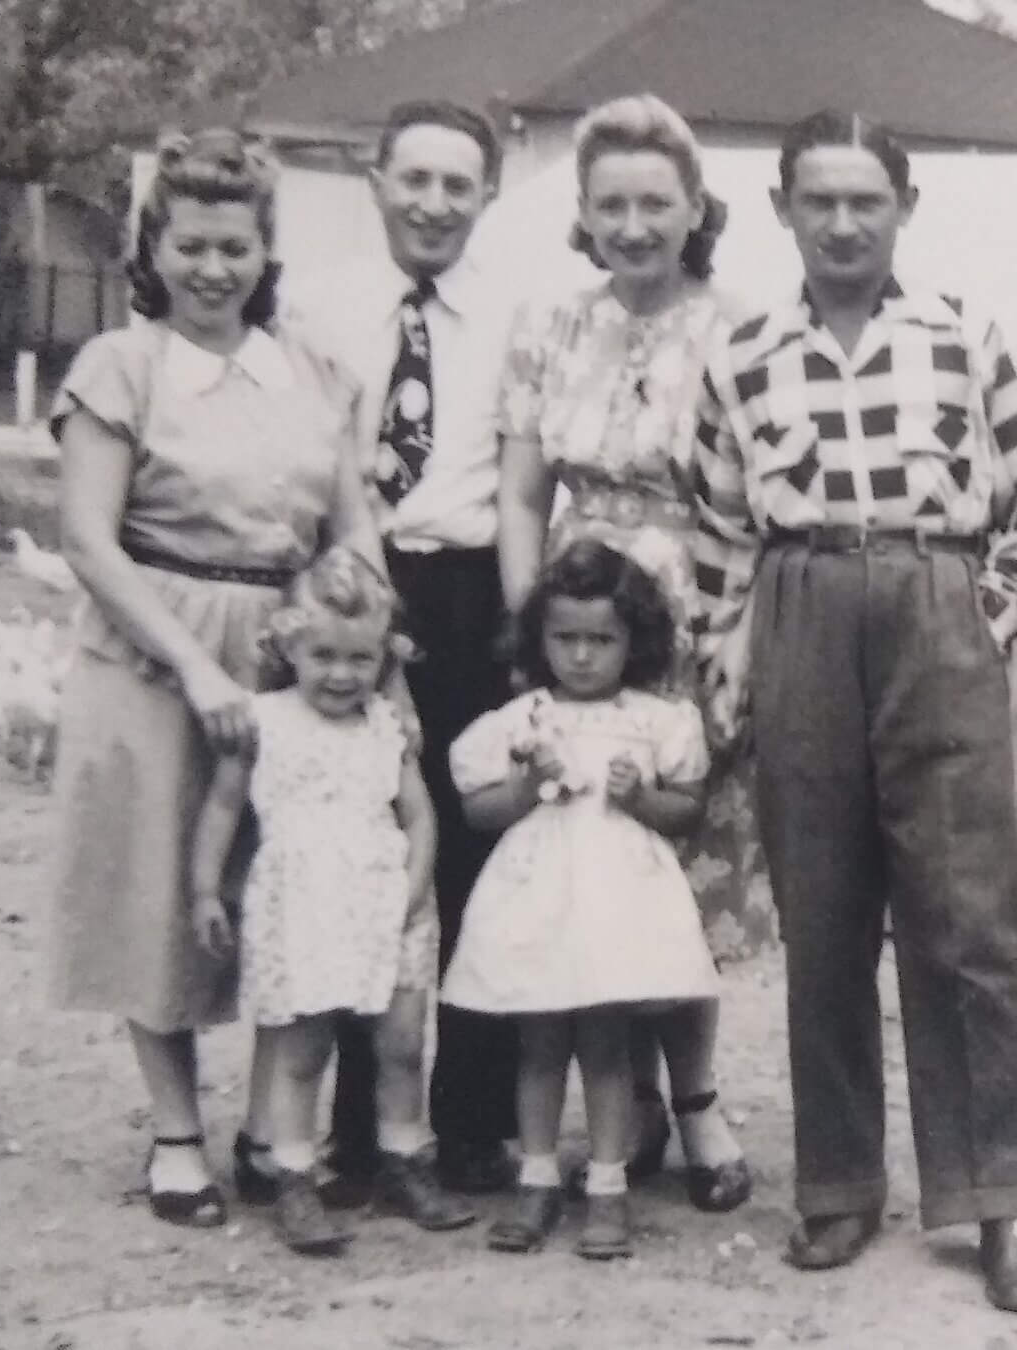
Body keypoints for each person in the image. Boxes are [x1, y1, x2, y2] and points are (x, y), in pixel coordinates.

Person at [689, 109, 1017, 1315]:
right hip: (800, 610)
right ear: (783, 211)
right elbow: (714, 525)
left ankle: (998, 1198)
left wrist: (992, 617)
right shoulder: (742, 354)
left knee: (967, 920)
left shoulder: (964, 335)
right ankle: (841, 1184)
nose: (844, 222)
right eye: (821, 201)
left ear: (904, 207)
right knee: (825, 914)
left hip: (933, 603)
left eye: (867, 200)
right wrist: (724, 654)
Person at [47, 128, 379, 1228]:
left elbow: (350, 525)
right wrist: (193, 666)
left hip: (290, 652)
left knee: (290, 887)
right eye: (190, 246)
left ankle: (272, 1128)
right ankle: (177, 1135)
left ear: (262, 247)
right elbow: (90, 539)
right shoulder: (122, 368)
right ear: (155, 245)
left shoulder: (311, 368)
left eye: (233, 247)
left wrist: (364, 637)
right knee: (161, 887)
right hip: (155, 645)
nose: (212, 270)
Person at [494, 92, 757, 1218]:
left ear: (695, 208)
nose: (636, 225)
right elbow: (518, 492)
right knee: (588, 860)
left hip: (695, 622)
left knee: (682, 867)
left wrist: (738, 638)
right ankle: (625, 1100)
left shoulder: (744, 328)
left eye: (658, 203)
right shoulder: (550, 325)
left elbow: (763, 507)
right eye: (614, 204)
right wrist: (530, 633)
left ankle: (693, 1098)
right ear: (586, 214)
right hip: (580, 621)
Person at [287, 99, 523, 1199]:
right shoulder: (318, 308)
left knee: (472, 854)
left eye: (457, 184)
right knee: (350, 841)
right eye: (414, 179)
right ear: (374, 179)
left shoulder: (520, 313)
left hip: (471, 590)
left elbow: (528, 479)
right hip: (352, 585)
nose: (434, 203)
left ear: (490, 194)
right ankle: (347, 1131)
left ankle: (470, 1122)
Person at [187, 548, 477, 1254]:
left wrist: (412, 893)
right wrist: (204, 889)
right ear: (290, 645)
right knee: (302, 1049)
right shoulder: (263, 720)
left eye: (360, 658)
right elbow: (224, 808)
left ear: (383, 656)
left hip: (386, 900)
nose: (342, 675)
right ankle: (292, 1175)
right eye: (323, 655)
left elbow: (420, 817)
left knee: (402, 1044)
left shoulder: (386, 727)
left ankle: (404, 1162)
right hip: (302, 905)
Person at [442, 541, 723, 1259]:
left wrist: (643, 798)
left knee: (606, 1050)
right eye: (565, 638)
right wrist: (526, 787)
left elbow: (688, 810)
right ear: (539, 639)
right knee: (537, 1048)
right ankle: (537, 1178)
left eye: (602, 639)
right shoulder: (522, 718)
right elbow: (478, 811)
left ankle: (607, 1184)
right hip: (539, 902)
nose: (583, 656)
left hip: (615, 906)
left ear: (635, 640)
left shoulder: (656, 720)